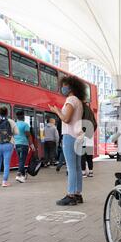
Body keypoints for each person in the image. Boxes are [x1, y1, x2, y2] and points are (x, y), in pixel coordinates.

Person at [49, 76, 86, 206]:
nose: (62, 88)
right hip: (79, 136)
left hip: (70, 136)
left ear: (70, 87)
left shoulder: (70, 99)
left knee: (71, 168)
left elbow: (66, 119)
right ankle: (78, 194)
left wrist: (57, 111)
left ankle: (70, 195)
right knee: (77, 167)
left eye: (64, 85)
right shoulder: (79, 102)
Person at [0, 106, 19, 187]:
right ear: (7, 113)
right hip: (8, 145)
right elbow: (16, 132)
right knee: (6, 163)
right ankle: (4, 181)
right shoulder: (11, 121)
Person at [14, 110, 34, 183]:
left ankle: (23, 175)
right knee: (22, 160)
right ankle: (19, 175)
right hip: (24, 145)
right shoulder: (25, 125)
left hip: (16, 144)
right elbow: (28, 135)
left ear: (17, 117)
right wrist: (32, 145)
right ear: (23, 117)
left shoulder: (14, 124)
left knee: (20, 160)